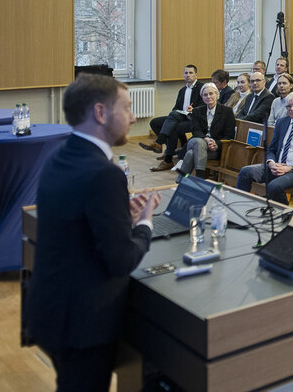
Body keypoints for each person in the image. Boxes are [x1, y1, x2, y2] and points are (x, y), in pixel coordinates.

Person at [26, 75, 159, 392]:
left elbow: (76, 220)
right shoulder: (104, 174)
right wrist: (145, 221)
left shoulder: (59, 156)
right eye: (126, 108)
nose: (134, 116)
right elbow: (121, 259)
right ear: (100, 113)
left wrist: (116, 215)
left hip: (50, 309)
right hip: (82, 323)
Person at [236, 92, 293, 205]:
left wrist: (290, 168)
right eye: (288, 106)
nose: (291, 109)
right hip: (276, 166)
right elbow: (271, 149)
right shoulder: (282, 122)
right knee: (245, 171)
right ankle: (239, 206)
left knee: (274, 186)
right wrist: (271, 163)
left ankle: (284, 215)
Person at [175, 82, 235, 179]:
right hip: (196, 142)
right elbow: (195, 131)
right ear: (202, 97)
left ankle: (180, 181)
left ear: (217, 95)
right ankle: (200, 177)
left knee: (191, 154)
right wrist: (206, 139)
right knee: (199, 142)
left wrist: (216, 144)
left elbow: (229, 135)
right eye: (205, 94)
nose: (208, 97)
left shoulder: (227, 111)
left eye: (211, 94)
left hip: (213, 149)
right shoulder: (197, 111)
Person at [139, 63, 200, 158]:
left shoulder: (201, 88)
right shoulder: (182, 90)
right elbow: (176, 108)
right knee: (155, 122)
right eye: (186, 73)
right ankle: (169, 148)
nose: (188, 75)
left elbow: (204, 107)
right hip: (181, 116)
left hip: (194, 118)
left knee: (173, 126)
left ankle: (162, 146)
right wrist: (175, 113)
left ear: (196, 75)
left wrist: (194, 110)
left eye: (191, 73)